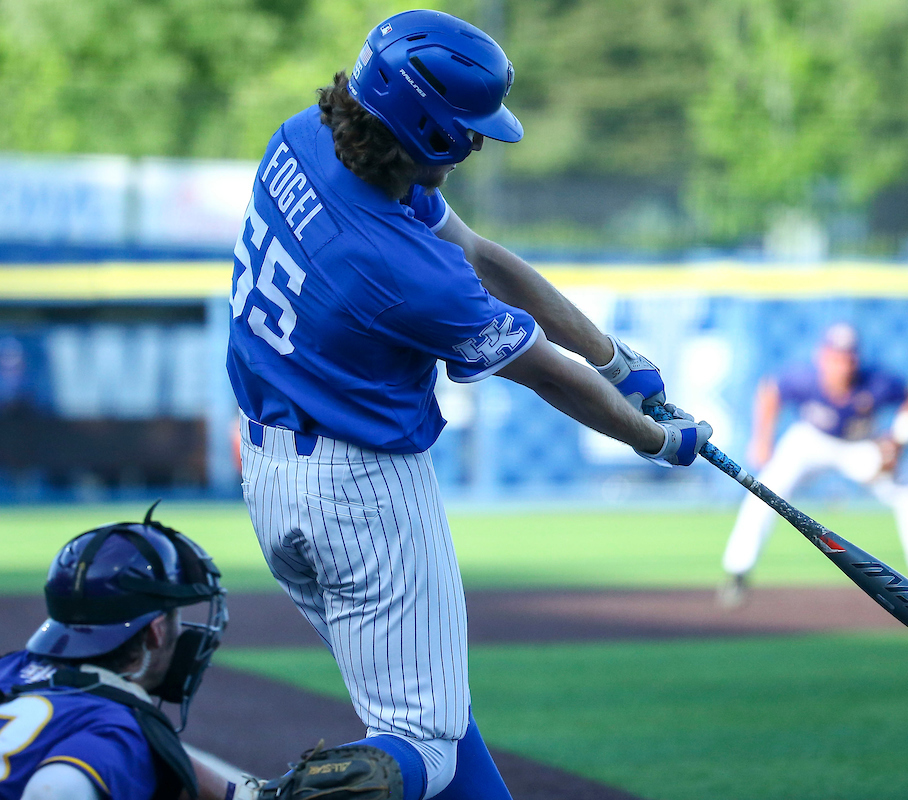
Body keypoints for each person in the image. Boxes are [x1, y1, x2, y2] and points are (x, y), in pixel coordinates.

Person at [227, 10, 711, 800]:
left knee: (433, 716)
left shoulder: (306, 139)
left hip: (274, 475)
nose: (477, 145)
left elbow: (483, 257)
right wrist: (654, 440)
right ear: (425, 128)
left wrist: (614, 357)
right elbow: (547, 375)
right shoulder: (403, 269)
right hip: (361, 495)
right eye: (466, 130)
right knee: (424, 738)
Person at [0, 505, 251, 800]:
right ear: (156, 631)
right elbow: (55, 790)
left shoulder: (9, 668)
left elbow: (162, 763)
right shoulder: (115, 727)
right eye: (175, 615)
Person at [718, 322, 908, 607]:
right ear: (822, 357)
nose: (842, 365)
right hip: (812, 440)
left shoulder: (876, 382)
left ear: (856, 359)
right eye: (835, 357)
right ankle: (737, 572)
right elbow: (770, 391)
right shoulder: (805, 378)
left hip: (862, 444)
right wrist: (762, 439)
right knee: (765, 491)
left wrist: (898, 440)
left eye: (848, 358)